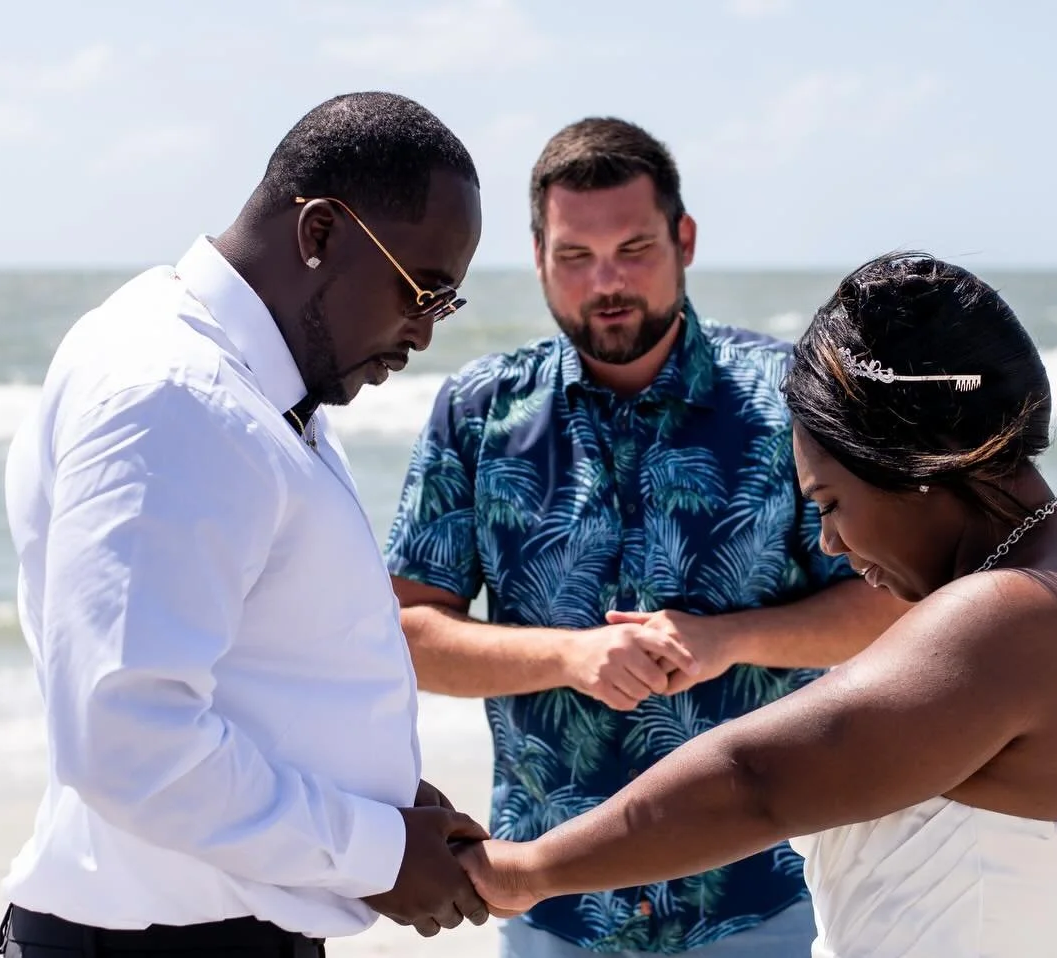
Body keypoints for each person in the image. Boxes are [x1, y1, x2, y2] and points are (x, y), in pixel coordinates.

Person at [455, 252, 1057, 958]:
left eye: (832, 503)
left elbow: (753, 783)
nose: (831, 542)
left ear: (909, 459)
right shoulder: (1041, 578)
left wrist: (527, 870)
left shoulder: (1014, 613)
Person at [383, 117, 909, 956]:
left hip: (757, 894)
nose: (606, 283)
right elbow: (405, 636)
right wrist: (569, 657)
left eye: (633, 249)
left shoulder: (792, 401)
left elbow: (889, 607)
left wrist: (725, 640)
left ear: (684, 239)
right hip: (551, 902)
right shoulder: (479, 412)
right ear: (538, 257)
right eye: (575, 258)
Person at [0, 92, 490, 958]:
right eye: (420, 291)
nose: (422, 332)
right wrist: (374, 853)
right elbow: (128, 737)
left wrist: (382, 799)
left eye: (445, 306)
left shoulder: (248, 378)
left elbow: (253, 667)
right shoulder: (177, 394)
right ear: (321, 234)